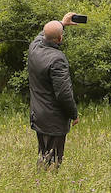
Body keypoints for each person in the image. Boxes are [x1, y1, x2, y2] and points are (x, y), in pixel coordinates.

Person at [27, 12, 79, 168]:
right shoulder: (57, 59)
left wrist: (61, 23)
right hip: (53, 119)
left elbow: (44, 33)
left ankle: (39, 183)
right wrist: (73, 114)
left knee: (44, 154)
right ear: (60, 39)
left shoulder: (34, 47)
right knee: (53, 160)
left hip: (38, 114)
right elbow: (63, 93)